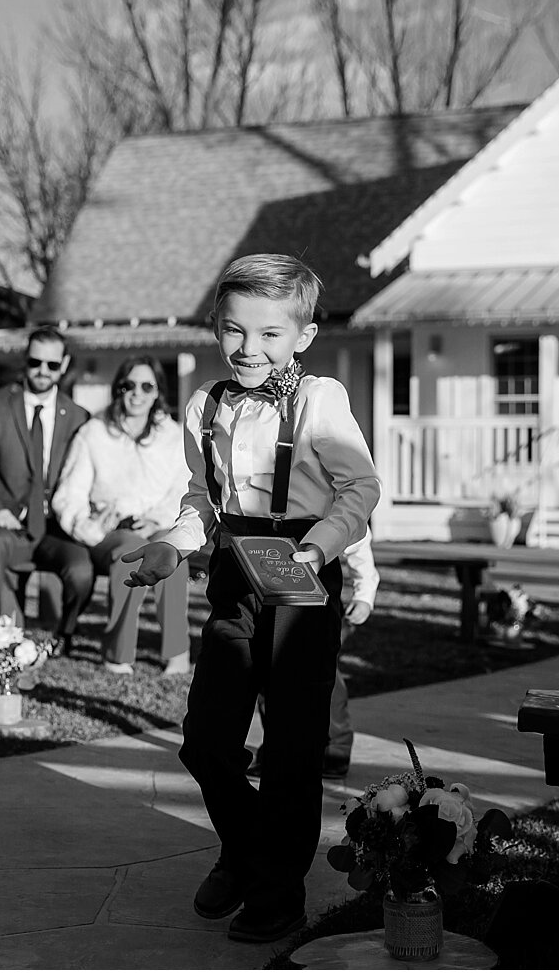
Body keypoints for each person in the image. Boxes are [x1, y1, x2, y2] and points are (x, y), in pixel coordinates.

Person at [122, 253, 380, 944]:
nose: (248, 348)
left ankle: (277, 891)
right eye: (235, 331)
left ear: (303, 336)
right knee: (206, 742)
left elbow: (361, 490)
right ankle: (243, 846)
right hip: (236, 576)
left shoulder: (321, 401)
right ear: (216, 327)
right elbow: (202, 499)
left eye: (269, 334)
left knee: (294, 749)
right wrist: (170, 545)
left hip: (303, 579)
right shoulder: (204, 404)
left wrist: (322, 547)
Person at [52, 356, 191, 676]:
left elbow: (184, 488)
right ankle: (117, 654)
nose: (137, 393)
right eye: (128, 385)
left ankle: (177, 652)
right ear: (118, 389)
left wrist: (158, 521)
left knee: (170, 555)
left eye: (146, 386)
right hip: (110, 531)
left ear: (158, 391)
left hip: (158, 524)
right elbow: (69, 493)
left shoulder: (173, 436)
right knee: (131, 553)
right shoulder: (94, 432)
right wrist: (90, 527)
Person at [0, 325, 93, 652]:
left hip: (57, 526)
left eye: (52, 364)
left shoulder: (79, 417)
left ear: (63, 365)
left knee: (81, 571)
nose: (42, 371)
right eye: (36, 362)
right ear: (25, 360)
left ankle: (64, 633)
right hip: (8, 520)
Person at [247, 533, 379, 779]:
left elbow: (359, 543)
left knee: (321, 674)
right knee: (270, 672)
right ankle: (277, 749)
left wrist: (364, 596)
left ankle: (334, 748)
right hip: (271, 589)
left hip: (319, 599)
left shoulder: (330, 498)